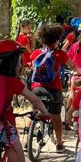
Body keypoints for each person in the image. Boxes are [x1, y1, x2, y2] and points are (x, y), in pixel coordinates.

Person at [29, 23, 71, 151]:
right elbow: (73, 66)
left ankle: (27, 141)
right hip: (54, 90)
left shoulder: (36, 53)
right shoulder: (60, 54)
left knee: (34, 112)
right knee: (56, 117)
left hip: (36, 89)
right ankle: (59, 144)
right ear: (57, 40)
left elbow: (32, 67)